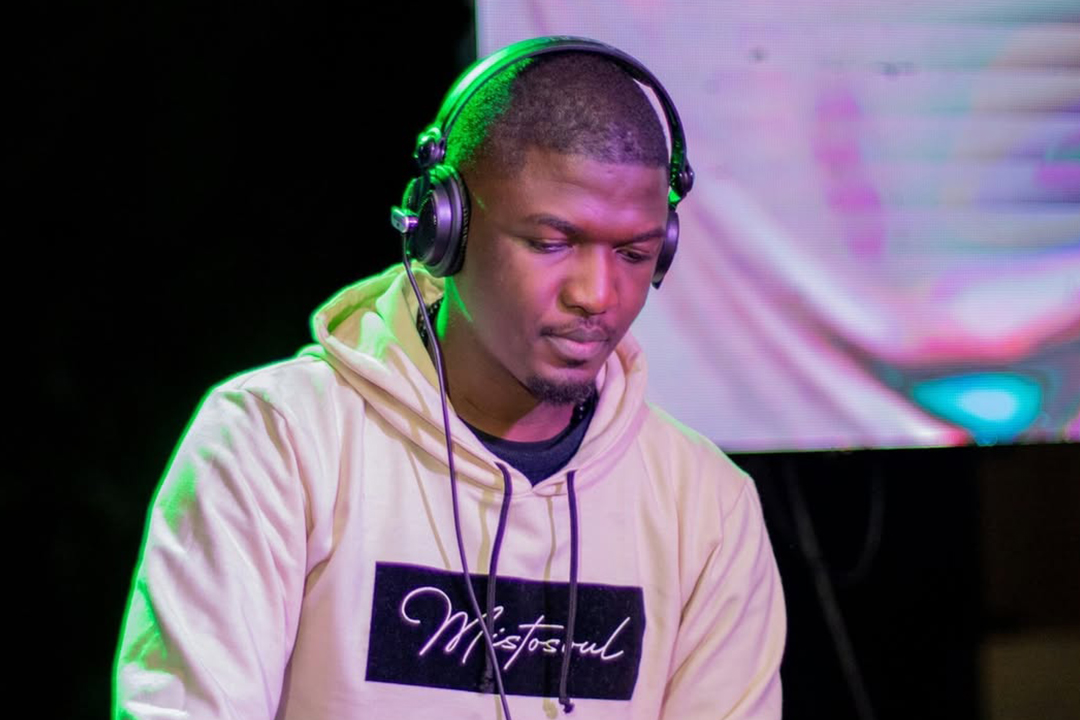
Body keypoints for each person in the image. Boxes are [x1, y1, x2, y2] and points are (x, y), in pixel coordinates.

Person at [114, 36, 786, 719]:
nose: (597, 294)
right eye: (551, 244)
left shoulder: (707, 507)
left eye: (635, 253)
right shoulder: (277, 440)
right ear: (444, 231)